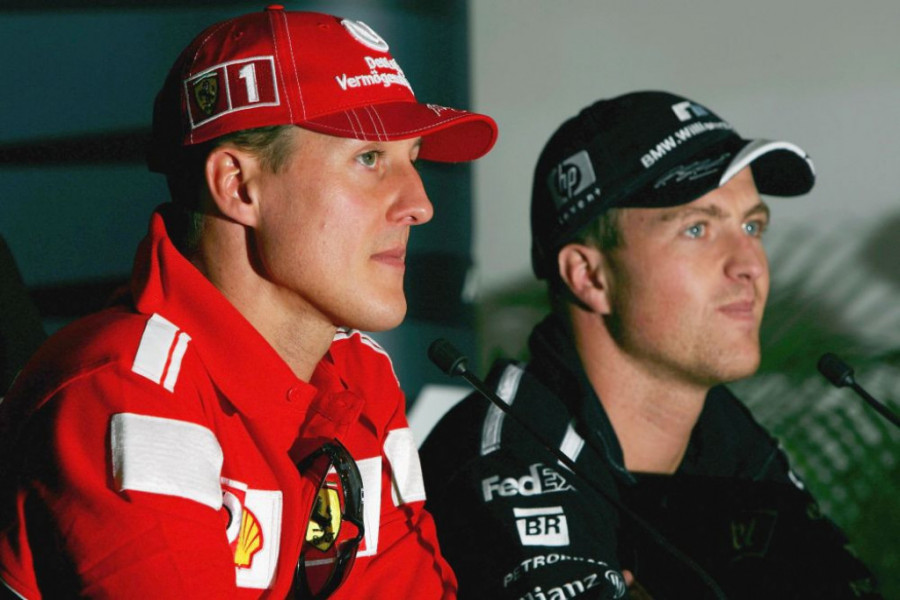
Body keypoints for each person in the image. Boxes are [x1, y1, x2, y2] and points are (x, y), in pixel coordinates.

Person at [0, 7, 497, 599]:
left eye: (412, 160)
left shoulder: (359, 376)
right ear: (238, 186)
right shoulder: (125, 390)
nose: (420, 205)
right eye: (369, 159)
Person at [420, 91, 881, 599]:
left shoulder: (731, 442)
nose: (750, 264)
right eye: (698, 229)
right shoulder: (510, 461)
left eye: (753, 226)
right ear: (589, 276)